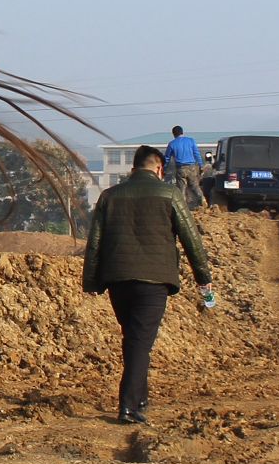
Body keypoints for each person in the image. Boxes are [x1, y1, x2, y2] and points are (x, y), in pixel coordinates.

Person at [82, 144, 214, 425]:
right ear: (159, 169)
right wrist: (203, 277)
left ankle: (140, 398)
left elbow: (94, 243)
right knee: (140, 343)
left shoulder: (109, 196)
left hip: (117, 279)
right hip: (154, 280)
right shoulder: (169, 194)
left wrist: (91, 280)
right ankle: (128, 406)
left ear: (132, 169)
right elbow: (191, 239)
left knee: (134, 339)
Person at [162, 125, 204, 205]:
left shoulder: (172, 144)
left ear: (173, 134)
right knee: (195, 186)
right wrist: (201, 165)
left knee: (181, 189)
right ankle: (202, 201)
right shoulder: (191, 141)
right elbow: (196, 154)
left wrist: (164, 168)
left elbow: (167, 158)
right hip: (192, 167)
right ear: (182, 132)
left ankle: (182, 206)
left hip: (180, 169)